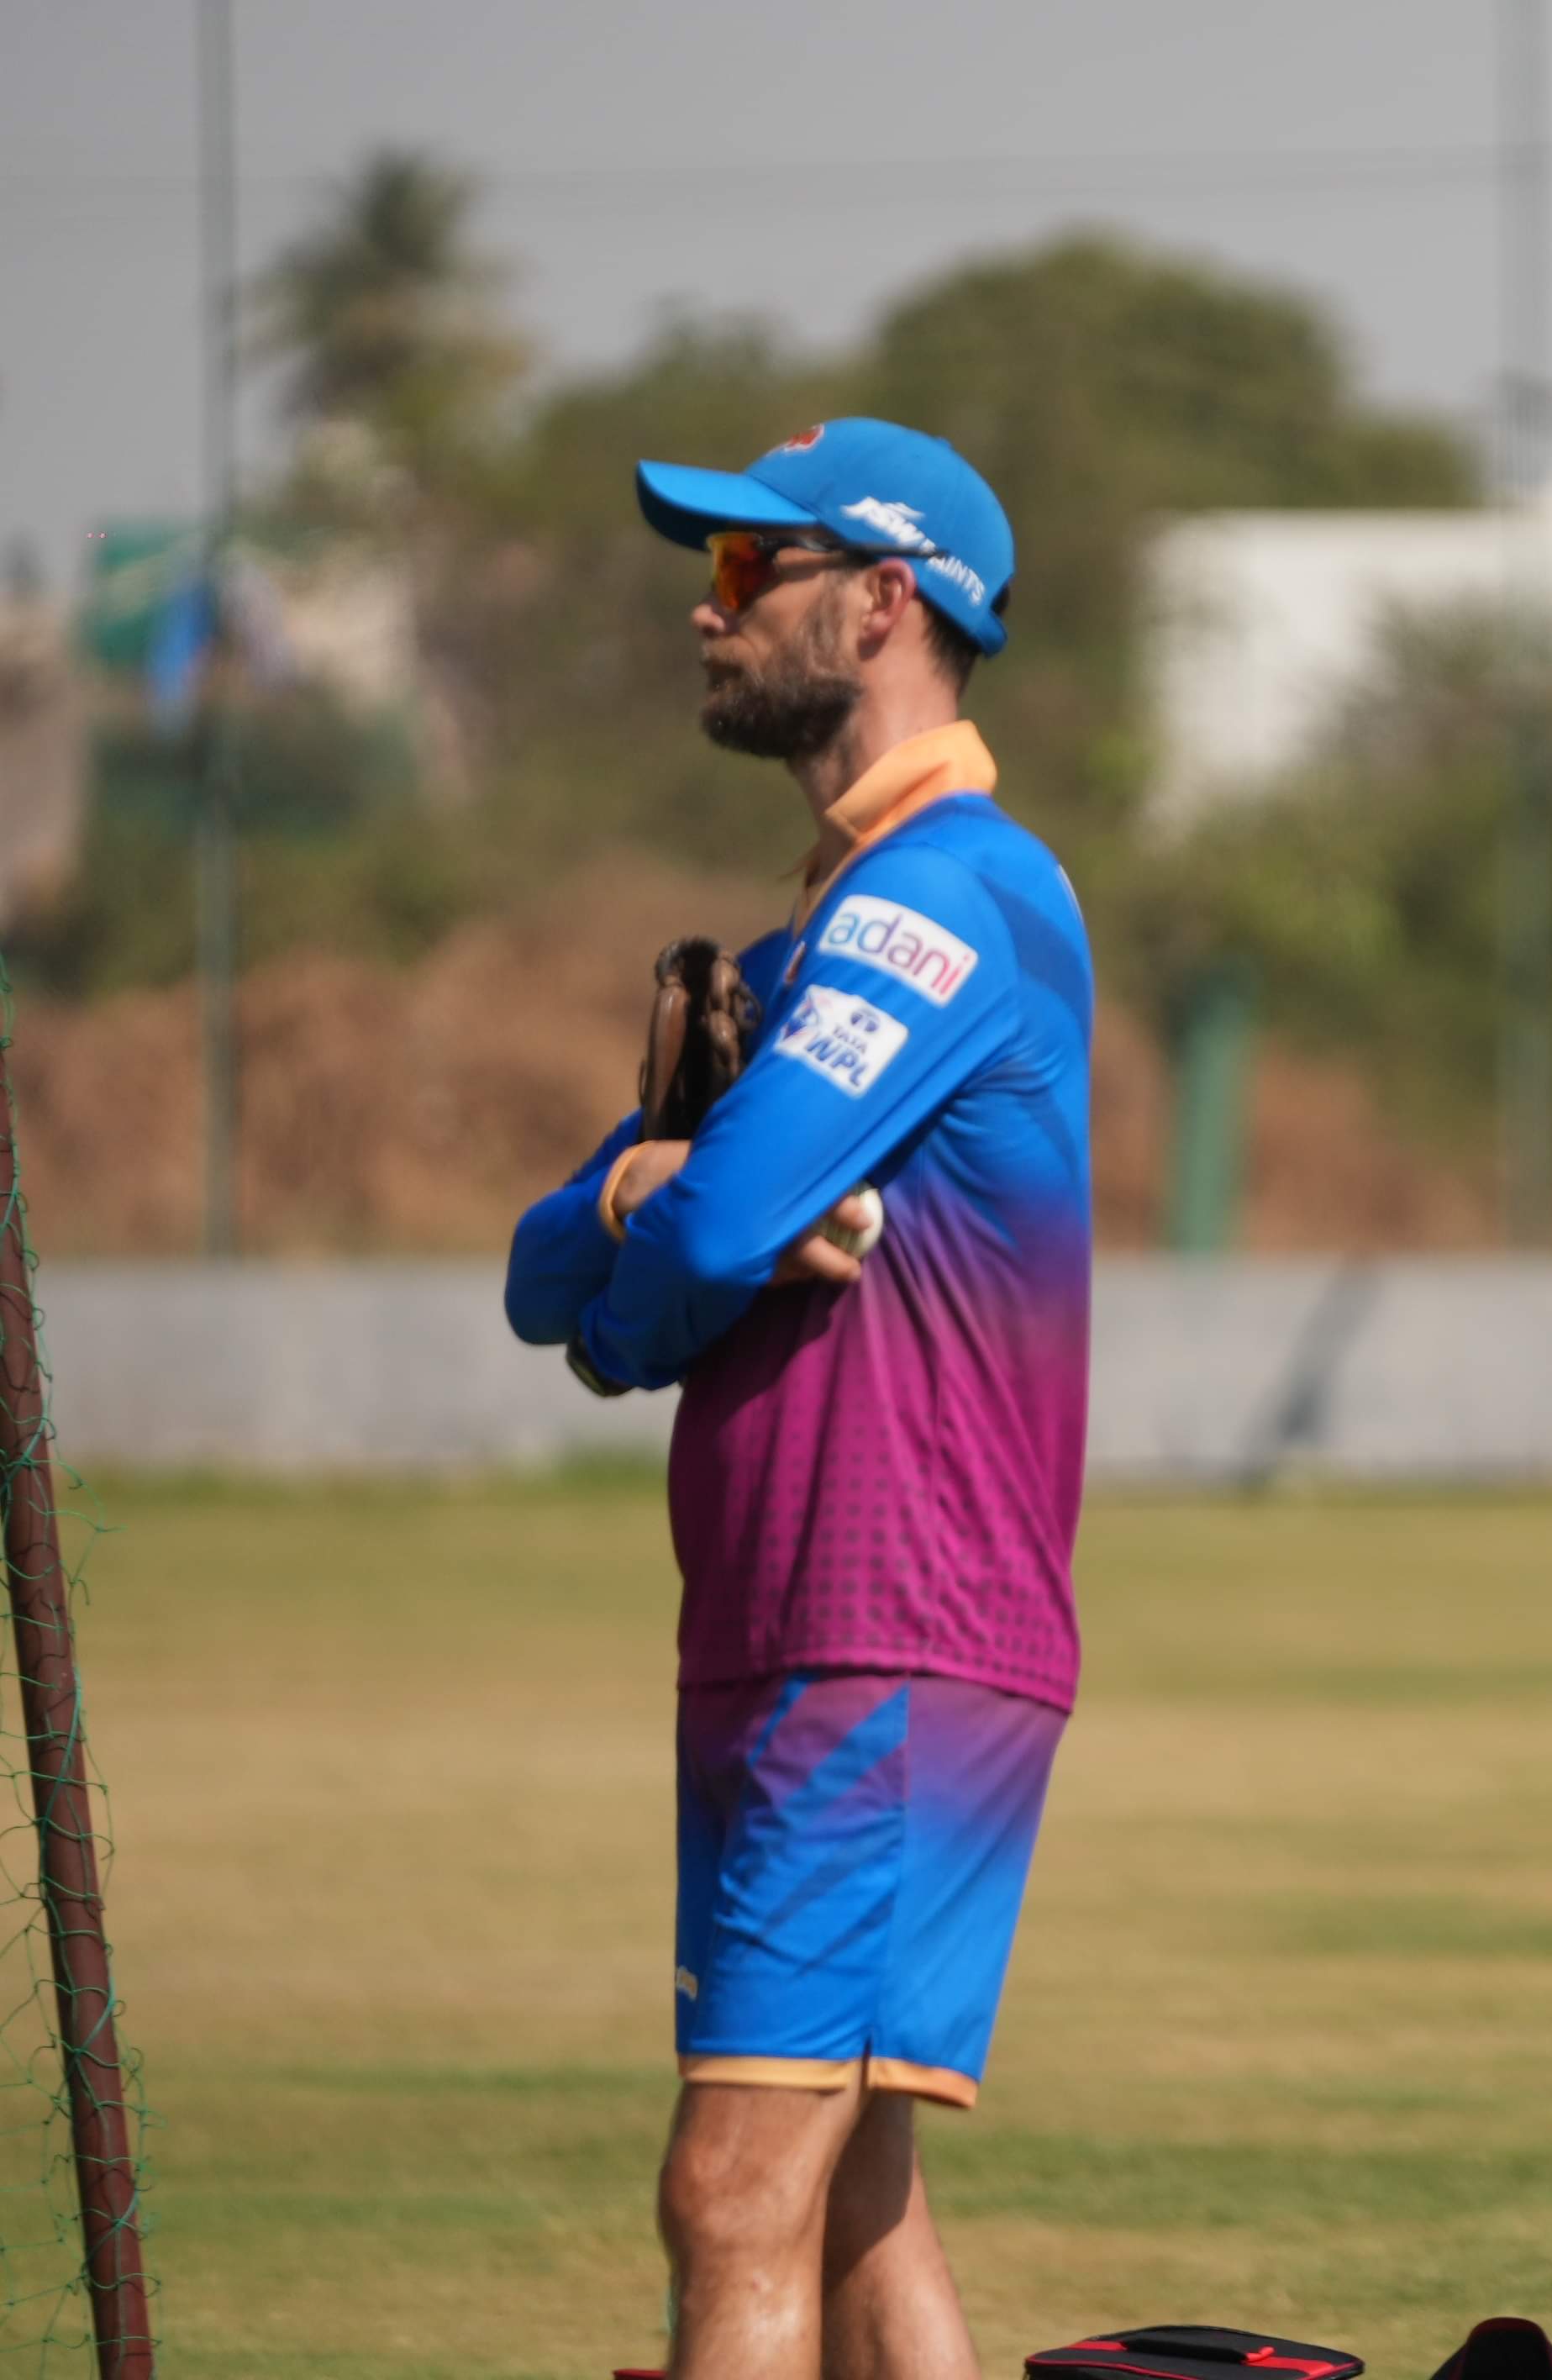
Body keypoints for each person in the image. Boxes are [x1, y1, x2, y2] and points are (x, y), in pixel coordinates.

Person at [502, 418, 1091, 2380]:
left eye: (754, 569)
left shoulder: (955, 897)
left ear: (884, 603)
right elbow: (549, 1272)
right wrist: (643, 1211)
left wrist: (668, 1242)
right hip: (786, 1624)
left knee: (733, 2188)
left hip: (889, 1627)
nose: (710, 605)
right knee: (847, 2198)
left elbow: (697, 1241)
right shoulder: (806, 944)